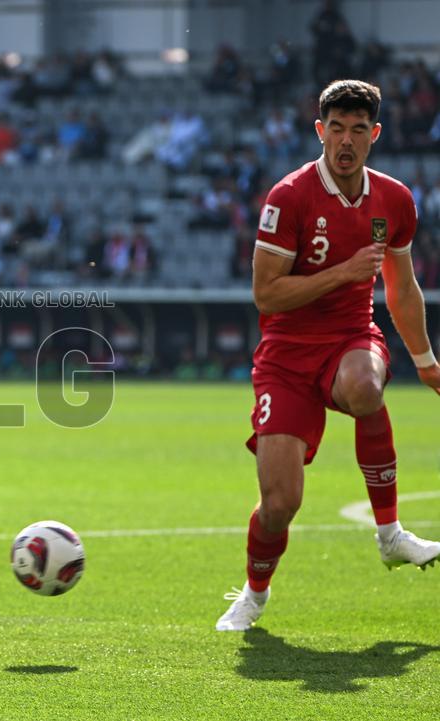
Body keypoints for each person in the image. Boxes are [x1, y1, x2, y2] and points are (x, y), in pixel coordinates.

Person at [216, 80, 440, 632]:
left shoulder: (394, 200)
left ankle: (390, 536)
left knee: (366, 386)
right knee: (279, 504)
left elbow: (402, 287)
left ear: (375, 135)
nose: (346, 140)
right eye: (335, 128)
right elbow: (266, 294)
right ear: (319, 131)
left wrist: (426, 359)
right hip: (286, 358)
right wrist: (341, 272)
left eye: (358, 130)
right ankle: (254, 594)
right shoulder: (288, 196)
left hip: (349, 339)